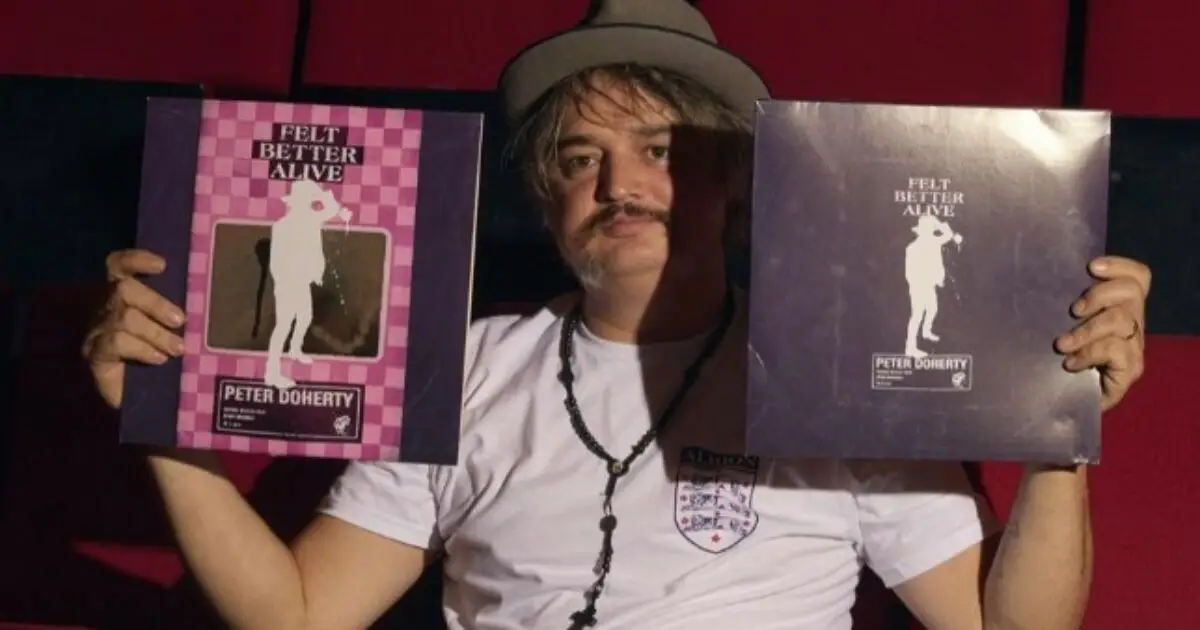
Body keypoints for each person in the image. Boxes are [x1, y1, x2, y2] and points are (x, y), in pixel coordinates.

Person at [81, 1, 1151, 629]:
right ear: (547, 199)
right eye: (579, 158)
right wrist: (167, 423)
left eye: (662, 150)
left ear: (737, 184)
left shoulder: (837, 368)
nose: (619, 184)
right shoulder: (459, 365)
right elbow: (301, 613)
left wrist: (1055, 429)